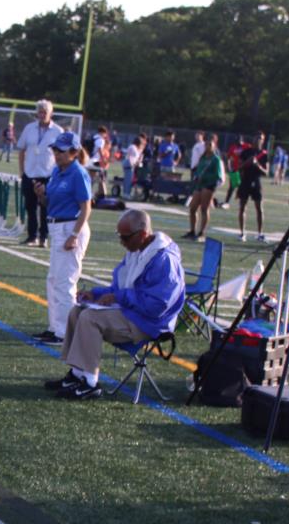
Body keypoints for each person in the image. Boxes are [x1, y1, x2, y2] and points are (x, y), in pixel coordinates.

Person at [44, 208, 186, 400]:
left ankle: (90, 383)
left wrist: (119, 297)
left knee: (90, 318)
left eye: (125, 237)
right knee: (78, 311)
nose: (122, 242)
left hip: (150, 323)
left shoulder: (164, 260)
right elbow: (119, 287)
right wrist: (95, 294)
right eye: (119, 236)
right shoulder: (138, 250)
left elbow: (157, 306)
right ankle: (77, 374)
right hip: (133, 312)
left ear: (142, 234)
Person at [34, 131, 92, 342]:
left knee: (65, 282)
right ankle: (55, 327)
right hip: (58, 227)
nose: (57, 154)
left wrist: (74, 235)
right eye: (56, 150)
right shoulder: (57, 171)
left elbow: (86, 208)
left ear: (74, 152)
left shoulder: (78, 173)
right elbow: (50, 204)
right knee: (54, 280)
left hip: (70, 228)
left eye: (61, 151)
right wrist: (41, 195)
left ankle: (65, 332)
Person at [17, 99, 61, 245]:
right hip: (30, 173)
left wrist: (57, 174)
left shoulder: (58, 131)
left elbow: (61, 153)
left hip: (48, 174)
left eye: (45, 112)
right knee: (30, 207)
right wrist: (22, 170)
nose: (42, 115)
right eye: (40, 112)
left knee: (45, 208)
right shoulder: (29, 128)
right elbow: (21, 149)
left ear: (51, 113)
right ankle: (32, 236)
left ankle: (44, 237)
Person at [184, 132, 225, 239]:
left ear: (214, 146)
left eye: (210, 145)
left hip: (208, 186)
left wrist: (206, 178)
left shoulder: (215, 159)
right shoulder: (203, 158)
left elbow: (217, 176)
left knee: (204, 209)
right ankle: (192, 231)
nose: (207, 146)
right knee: (193, 208)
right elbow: (198, 170)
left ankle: (201, 232)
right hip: (199, 185)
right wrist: (197, 176)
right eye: (206, 144)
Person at [236, 131, 268, 242]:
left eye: (261, 138)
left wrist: (257, 165)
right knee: (242, 207)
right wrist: (248, 162)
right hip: (245, 181)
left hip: (257, 181)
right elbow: (239, 167)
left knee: (259, 208)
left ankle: (260, 233)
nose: (258, 140)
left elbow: (266, 172)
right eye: (257, 137)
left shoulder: (264, 154)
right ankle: (242, 233)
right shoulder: (246, 152)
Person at [122, 134, 145, 200]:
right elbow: (131, 158)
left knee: (128, 180)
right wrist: (134, 163)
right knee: (128, 180)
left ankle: (126, 193)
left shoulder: (134, 148)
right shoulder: (133, 147)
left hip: (130, 165)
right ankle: (126, 194)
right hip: (129, 165)